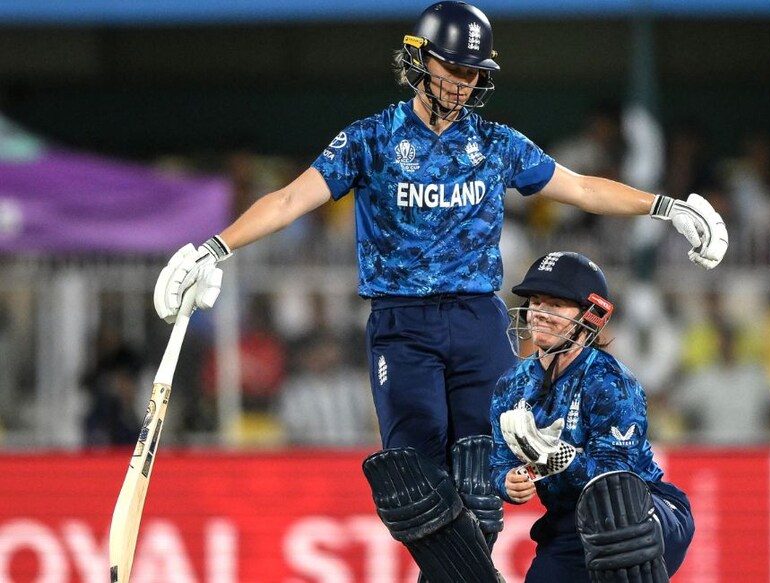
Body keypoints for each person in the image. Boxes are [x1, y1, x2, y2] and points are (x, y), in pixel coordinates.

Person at [149, 2, 725, 581]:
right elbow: (288, 201)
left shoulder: (495, 143)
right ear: (420, 59)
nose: (461, 82)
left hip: (479, 319)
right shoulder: (370, 140)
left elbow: (578, 188)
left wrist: (665, 207)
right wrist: (213, 247)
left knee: (482, 483)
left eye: (473, 72)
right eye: (451, 67)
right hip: (403, 327)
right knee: (415, 486)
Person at [491, 251, 694, 582]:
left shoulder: (610, 381)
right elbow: (499, 462)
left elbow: (616, 477)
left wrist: (558, 459)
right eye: (535, 301)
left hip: (646, 511)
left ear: (590, 316)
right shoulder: (510, 386)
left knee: (615, 518)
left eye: (555, 305)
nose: (539, 313)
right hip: (569, 523)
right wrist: (507, 481)